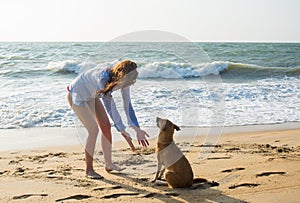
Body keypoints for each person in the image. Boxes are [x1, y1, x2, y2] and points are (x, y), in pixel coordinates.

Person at [66, 60, 150, 179]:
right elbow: (111, 107)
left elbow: (127, 104)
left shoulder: (125, 81)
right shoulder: (103, 79)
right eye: (130, 81)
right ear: (122, 77)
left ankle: (109, 164)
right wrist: (122, 130)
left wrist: (137, 129)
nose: (131, 84)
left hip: (91, 96)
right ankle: (89, 170)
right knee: (93, 130)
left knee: (106, 127)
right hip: (76, 95)